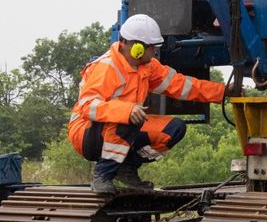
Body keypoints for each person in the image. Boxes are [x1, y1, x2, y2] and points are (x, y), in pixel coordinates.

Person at [68, 14, 230, 194]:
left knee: (174, 129)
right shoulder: (106, 67)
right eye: (152, 47)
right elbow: (87, 106)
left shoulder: (148, 67)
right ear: (136, 48)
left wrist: (223, 92)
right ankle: (102, 176)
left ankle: (126, 167)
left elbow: (181, 85)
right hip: (87, 134)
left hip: (122, 128)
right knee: (129, 118)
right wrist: (126, 110)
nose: (155, 52)